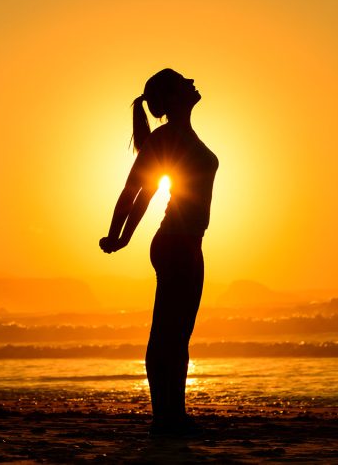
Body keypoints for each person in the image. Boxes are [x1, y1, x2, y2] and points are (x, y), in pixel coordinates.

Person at [99, 68, 218, 435]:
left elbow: (147, 194)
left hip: (188, 243)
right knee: (167, 333)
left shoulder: (183, 135)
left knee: (178, 334)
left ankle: (174, 415)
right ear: (172, 97)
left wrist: (125, 236)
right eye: (184, 81)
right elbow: (134, 190)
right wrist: (116, 236)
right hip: (174, 243)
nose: (192, 82)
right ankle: (163, 417)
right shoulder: (165, 138)